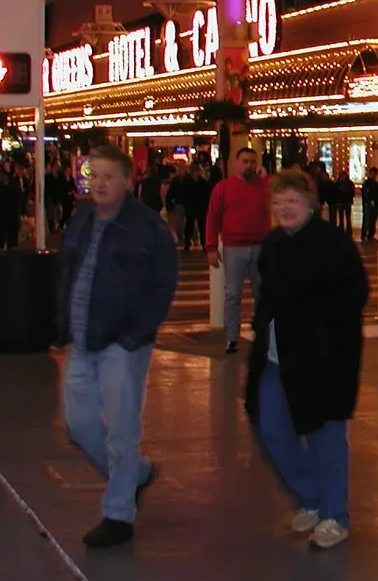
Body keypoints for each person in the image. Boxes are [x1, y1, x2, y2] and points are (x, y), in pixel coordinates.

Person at [54, 145, 178, 549]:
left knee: (122, 429)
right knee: (79, 424)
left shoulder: (148, 228)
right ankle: (135, 475)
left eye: (109, 176)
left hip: (122, 342)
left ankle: (118, 512)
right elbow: (68, 273)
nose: (100, 183)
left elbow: (162, 286)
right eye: (94, 174)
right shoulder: (82, 220)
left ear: (129, 181)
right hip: (81, 337)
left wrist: (135, 336)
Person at [245, 169, 369, 550]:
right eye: (278, 202)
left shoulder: (333, 243)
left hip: (323, 358)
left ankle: (334, 514)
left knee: (325, 436)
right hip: (277, 355)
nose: (285, 209)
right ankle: (311, 495)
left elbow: (355, 294)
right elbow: (265, 295)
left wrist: (323, 335)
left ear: (311, 204)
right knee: (270, 428)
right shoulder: (272, 244)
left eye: (293, 201)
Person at [206, 148, 271, 355]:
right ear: (236, 163)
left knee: (262, 293)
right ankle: (232, 337)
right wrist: (211, 247)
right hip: (234, 247)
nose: (249, 165)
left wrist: (266, 177)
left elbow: (279, 194)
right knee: (232, 294)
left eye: (252, 161)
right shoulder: (223, 188)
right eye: (245, 161)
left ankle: (262, 333)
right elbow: (213, 218)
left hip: (261, 246)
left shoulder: (264, 187)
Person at [359, 167, 378, 242]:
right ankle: (365, 234)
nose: (373, 175)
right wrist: (367, 202)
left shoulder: (375, 184)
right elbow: (365, 194)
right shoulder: (366, 184)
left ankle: (370, 234)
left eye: (374, 174)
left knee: (372, 219)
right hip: (368, 204)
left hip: (374, 204)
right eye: (372, 173)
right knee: (367, 219)